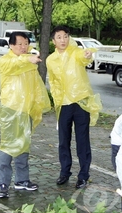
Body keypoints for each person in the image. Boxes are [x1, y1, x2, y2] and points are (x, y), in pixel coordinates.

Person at [0, 32, 51, 198]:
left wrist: (37, 106)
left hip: (26, 110)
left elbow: (36, 86)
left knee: (24, 144)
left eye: (26, 43)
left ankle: (22, 181)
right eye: (19, 44)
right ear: (11, 45)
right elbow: (14, 64)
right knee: (8, 146)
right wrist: (28, 59)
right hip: (11, 109)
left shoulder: (30, 60)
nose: (23, 47)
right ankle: (3, 183)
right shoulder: (6, 60)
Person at [46, 25, 102, 189]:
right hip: (63, 104)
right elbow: (53, 83)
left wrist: (87, 54)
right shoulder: (51, 60)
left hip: (80, 102)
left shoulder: (75, 52)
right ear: (53, 41)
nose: (63, 40)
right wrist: (56, 102)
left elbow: (85, 58)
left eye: (65, 36)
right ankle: (65, 172)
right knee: (63, 140)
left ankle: (83, 175)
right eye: (59, 37)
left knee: (82, 140)